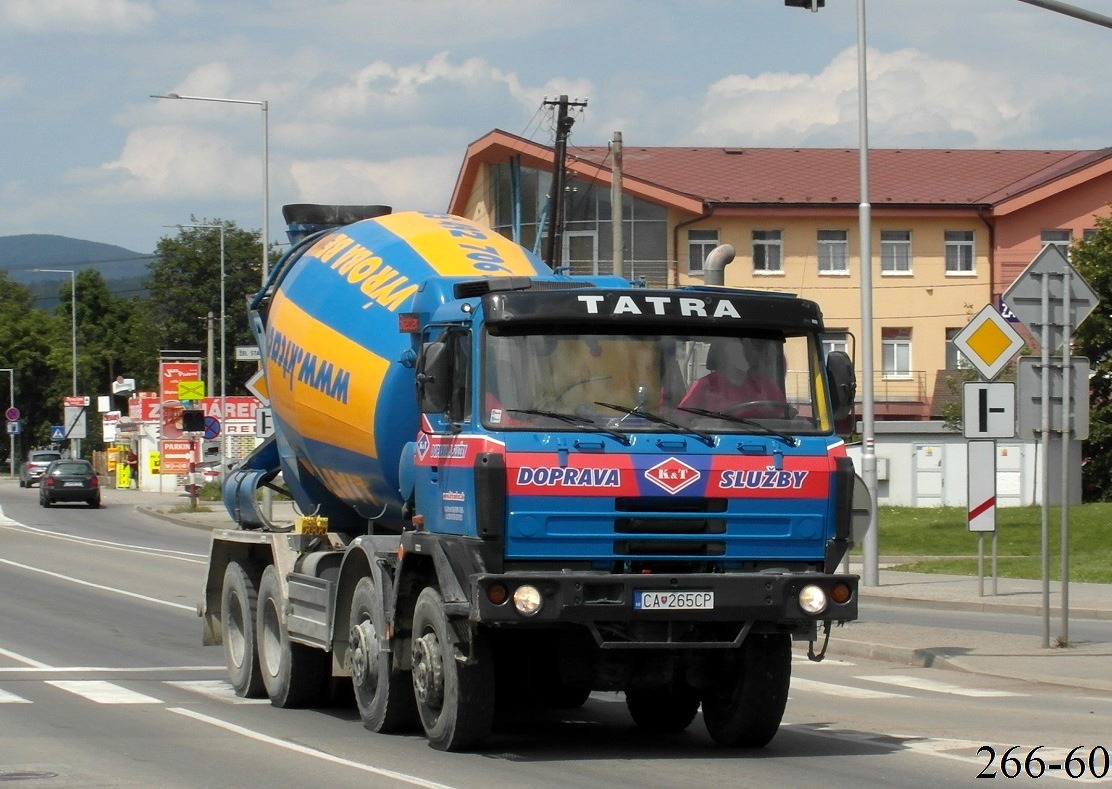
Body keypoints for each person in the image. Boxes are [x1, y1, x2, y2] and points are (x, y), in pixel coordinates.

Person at [678, 338, 785, 416]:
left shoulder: (765, 385)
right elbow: (682, 419)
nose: (745, 352)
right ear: (722, 354)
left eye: (748, 348)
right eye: (737, 348)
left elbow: (784, 415)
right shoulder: (706, 385)